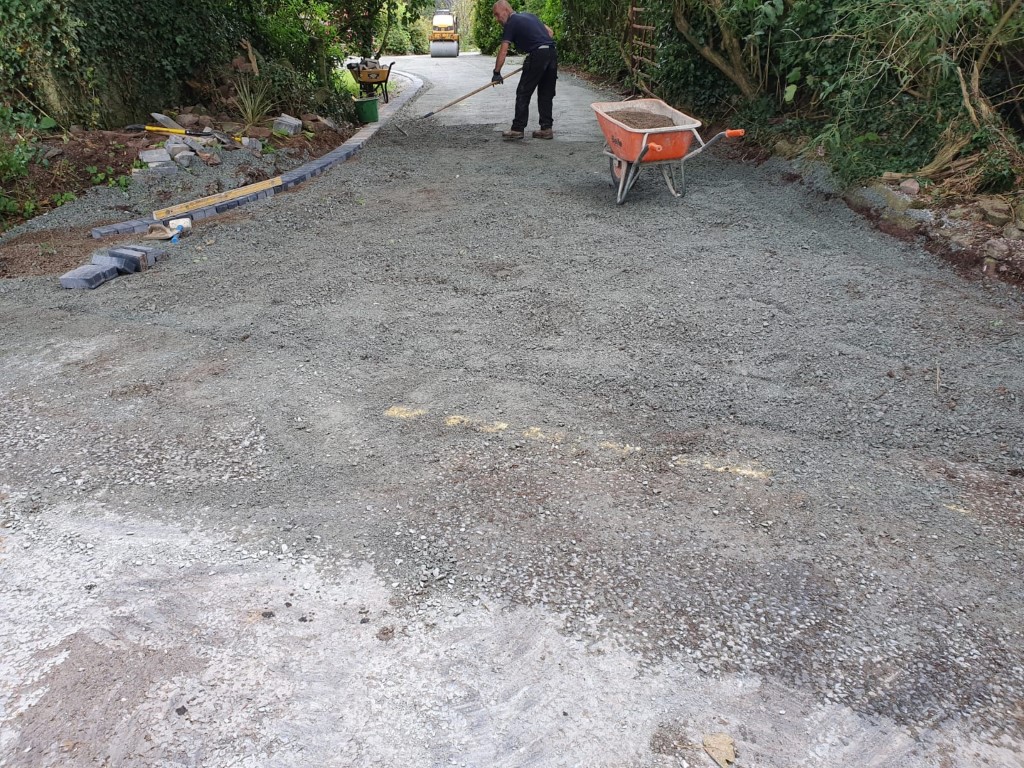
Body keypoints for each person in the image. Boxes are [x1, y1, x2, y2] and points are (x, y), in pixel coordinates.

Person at [491, 0, 557, 141]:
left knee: (523, 91)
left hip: (538, 55)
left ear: (505, 10)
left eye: (497, 15)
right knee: (545, 93)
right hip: (551, 53)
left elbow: (503, 50)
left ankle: (517, 129)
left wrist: (496, 73)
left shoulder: (511, 23)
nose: (497, 19)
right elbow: (550, 32)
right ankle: (546, 129)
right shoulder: (530, 16)